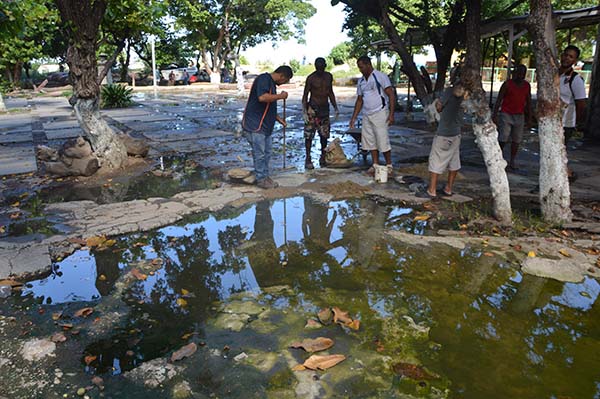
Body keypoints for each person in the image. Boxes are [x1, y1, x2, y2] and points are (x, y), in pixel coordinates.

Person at [241, 65, 292, 189]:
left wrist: (280, 120)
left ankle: (264, 176)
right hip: (255, 124)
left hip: (265, 125)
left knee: (267, 153)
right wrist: (280, 96)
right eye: (285, 80)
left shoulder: (272, 84)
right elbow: (262, 98)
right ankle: (261, 179)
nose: (284, 83)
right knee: (260, 154)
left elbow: (270, 107)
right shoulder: (263, 79)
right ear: (281, 76)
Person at [417, 76, 464, 199]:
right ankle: (448, 188)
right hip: (456, 133)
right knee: (454, 161)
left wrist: (438, 103)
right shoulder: (467, 94)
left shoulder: (449, 91)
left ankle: (431, 190)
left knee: (436, 160)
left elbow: (439, 108)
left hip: (444, 132)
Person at [349, 55, 396, 175]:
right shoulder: (361, 82)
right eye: (359, 67)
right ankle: (375, 164)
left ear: (368, 65)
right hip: (367, 114)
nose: (360, 69)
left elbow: (391, 94)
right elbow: (359, 100)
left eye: (362, 67)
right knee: (370, 141)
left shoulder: (380, 76)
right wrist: (354, 117)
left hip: (380, 112)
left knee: (382, 139)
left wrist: (391, 114)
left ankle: (389, 165)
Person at [492, 64, 532, 171]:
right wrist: (494, 115)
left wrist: (529, 117)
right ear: (514, 73)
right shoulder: (507, 84)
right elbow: (499, 100)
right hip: (506, 114)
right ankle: (498, 158)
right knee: (503, 137)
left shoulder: (527, 86)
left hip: (519, 115)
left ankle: (512, 160)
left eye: (522, 74)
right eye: (518, 73)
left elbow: (528, 101)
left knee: (516, 139)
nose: (520, 76)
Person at [302, 57, 339, 169]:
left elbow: (330, 92)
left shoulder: (328, 76)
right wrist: (304, 111)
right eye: (318, 68)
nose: (320, 71)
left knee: (324, 135)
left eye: (321, 68)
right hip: (312, 109)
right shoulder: (311, 78)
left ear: (325, 66)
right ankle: (308, 158)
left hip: (324, 109)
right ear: (315, 67)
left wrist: (335, 107)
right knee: (309, 135)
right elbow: (305, 95)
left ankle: (323, 156)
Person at [559, 45, 587, 181]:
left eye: (571, 56)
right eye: (565, 55)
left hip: (566, 123)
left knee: (558, 153)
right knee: (553, 153)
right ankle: (566, 174)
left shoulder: (575, 80)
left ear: (575, 61)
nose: (566, 58)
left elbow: (581, 103)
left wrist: (578, 122)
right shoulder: (555, 75)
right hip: (553, 121)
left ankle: (567, 175)